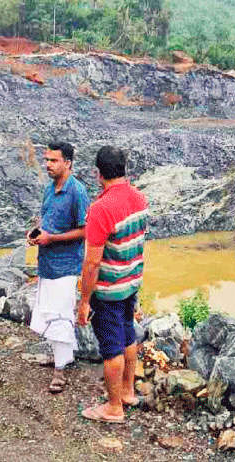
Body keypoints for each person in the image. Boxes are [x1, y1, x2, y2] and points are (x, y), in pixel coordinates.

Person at [77, 146, 148, 423]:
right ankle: (128, 391)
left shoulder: (101, 209)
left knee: (111, 348)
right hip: (131, 283)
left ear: (98, 173)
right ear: (124, 168)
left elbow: (92, 263)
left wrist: (84, 301)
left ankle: (113, 407)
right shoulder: (139, 198)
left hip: (108, 291)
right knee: (128, 335)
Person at [27, 142, 89, 393]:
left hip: (66, 264)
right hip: (47, 263)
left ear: (68, 164)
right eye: (47, 160)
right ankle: (60, 357)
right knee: (49, 312)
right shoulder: (49, 189)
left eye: (54, 160)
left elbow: (85, 231)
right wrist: (37, 233)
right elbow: (46, 219)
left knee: (61, 314)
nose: (48, 165)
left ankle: (60, 372)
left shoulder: (78, 192)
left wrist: (52, 238)